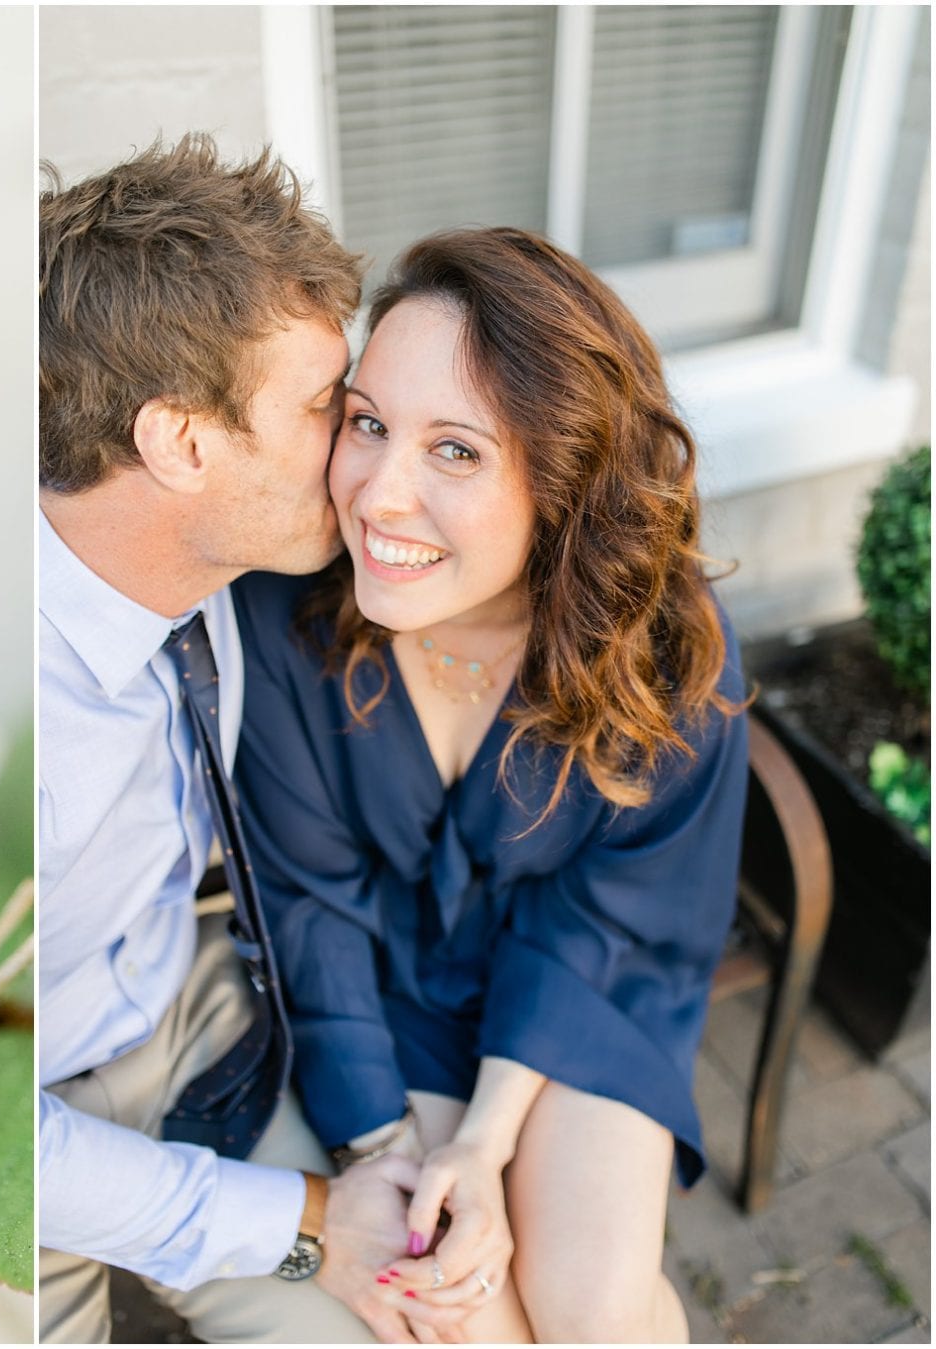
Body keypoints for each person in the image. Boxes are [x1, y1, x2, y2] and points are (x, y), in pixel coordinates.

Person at [231, 226, 750, 1343]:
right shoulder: (283, 617)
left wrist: (488, 1136)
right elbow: (309, 908)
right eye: (367, 423)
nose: (378, 495)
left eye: (455, 451)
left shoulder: (664, 649)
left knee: (595, 1310)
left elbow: (617, 911)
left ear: (562, 478)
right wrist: (385, 1151)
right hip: (386, 993)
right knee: (460, 1312)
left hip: (588, 987)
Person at [39, 135, 440, 1344]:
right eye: (328, 404)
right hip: (2, 1122)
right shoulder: (11, 739)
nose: (359, 441)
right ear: (181, 443)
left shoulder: (212, 559)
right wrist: (307, 1214)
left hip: (195, 1023)